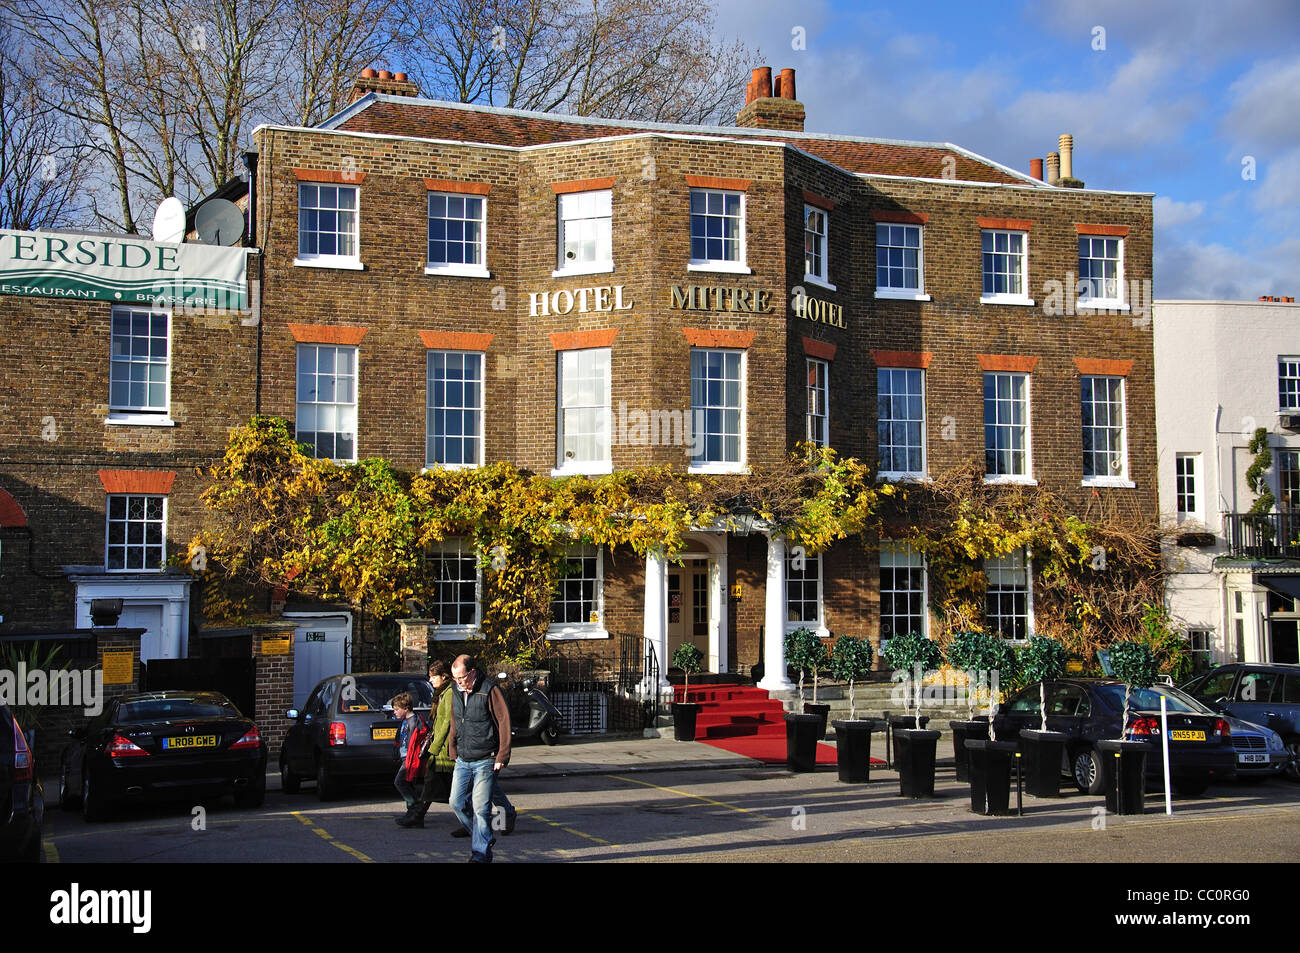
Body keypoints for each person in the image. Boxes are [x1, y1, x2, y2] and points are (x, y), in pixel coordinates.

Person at [447, 654, 514, 862]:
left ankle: (480, 853)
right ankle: (484, 836)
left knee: (480, 807)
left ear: (472, 672)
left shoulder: (489, 690)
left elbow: (504, 722)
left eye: (462, 677)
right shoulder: (455, 692)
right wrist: (452, 747)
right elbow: (454, 720)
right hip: (463, 757)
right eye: (455, 678)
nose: (459, 682)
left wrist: (502, 754)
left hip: (486, 757)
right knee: (456, 802)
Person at [396, 660, 454, 828]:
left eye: (433, 677)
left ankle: (497, 812)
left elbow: (445, 722)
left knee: (454, 788)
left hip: (443, 748)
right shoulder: (441, 693)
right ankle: (418, 815)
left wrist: (433, 747)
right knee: (432, 783)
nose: (430, 680)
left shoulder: (449, 693)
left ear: (444, 676)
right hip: (439, 748)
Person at [391, 692, 427, 822]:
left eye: (397, 709)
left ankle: (415, 807)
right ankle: (412, 816)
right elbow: (400, 740)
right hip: (405, 757)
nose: (394, 712)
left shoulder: (414, 722)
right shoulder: (405, 721)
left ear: (406, 708)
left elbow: (414, 743)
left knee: (399, 782)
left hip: (411, 758)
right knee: (408, 783)